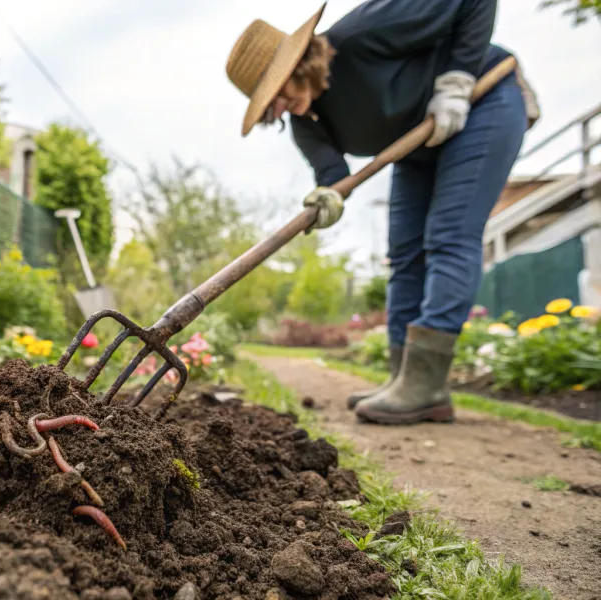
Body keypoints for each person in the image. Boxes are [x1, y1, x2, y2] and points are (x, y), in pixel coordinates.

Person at [225, 0, 540, 424]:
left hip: (484, 101)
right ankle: (403, 379)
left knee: (449, 236)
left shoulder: (361, 35)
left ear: (299, 63)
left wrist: (456, 81)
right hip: (416, 142)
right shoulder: (306, 121)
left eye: (277, 89)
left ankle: (425, 383)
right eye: (268, 104)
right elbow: (334, 176)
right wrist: (325, 198)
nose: (279, 107)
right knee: (404, 253)